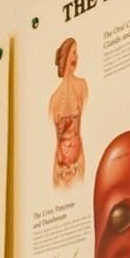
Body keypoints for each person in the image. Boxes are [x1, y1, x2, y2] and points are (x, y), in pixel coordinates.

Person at [49, 38, 89, 187]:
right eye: (74, 52)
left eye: (76, 53)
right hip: (60, 170)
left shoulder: (82, 87)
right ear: (65, 57)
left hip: (77, 165)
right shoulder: (54, 99)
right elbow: (57, 139)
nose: (76, 57)